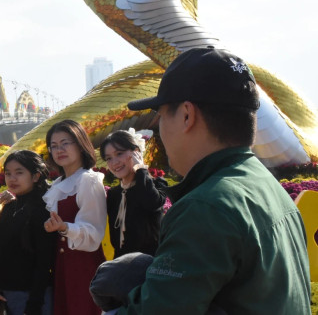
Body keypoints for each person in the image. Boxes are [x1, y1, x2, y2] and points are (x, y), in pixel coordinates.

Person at [90, 47, 312, 314]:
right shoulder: (266, 185)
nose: (159, 128)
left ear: (186, 115)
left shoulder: (205, 207)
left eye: (160, 115)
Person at [42, 119, 106, 315]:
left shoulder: (88, 180)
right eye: (54, 146)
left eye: (65, 143)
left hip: (84, 266)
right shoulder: (58, 184)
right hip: (63, 266)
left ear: (80, 144)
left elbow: (94, 233)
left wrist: (64, 228)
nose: (59, 149)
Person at [0, 150, 56, 315]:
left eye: (19, 173)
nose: (12, 178)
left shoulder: (43, 210)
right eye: (8, 173)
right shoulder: (11, 206)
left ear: (35, 176)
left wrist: (33, 306)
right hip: (5, 295)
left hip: (33, 298)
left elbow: (44, 262)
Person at [100, 129, 167, 257]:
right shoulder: (113, 194)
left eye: (119, 153)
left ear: (136, 153)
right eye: (108, 158)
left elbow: (151, 202)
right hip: (121, 266)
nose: (114, 162)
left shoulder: (158, 185)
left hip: (151, 266)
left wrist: (141, 170)